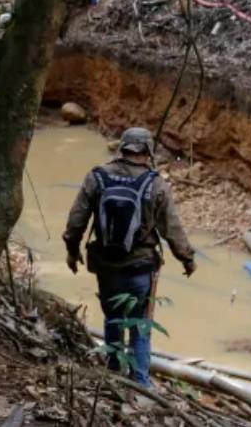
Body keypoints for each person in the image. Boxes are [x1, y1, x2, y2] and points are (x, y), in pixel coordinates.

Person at [62, 127, 196, 387]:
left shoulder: (97, 177)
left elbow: (76, 220)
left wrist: (72, 251)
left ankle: (113, 375)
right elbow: (172, 228)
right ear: (147, 151)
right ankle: (141, 384)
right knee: (141, 328)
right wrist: (187, 259)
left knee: (113, 319)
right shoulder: (155, 184)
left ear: (122, 147)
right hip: (141, 269)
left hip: (106, 266)